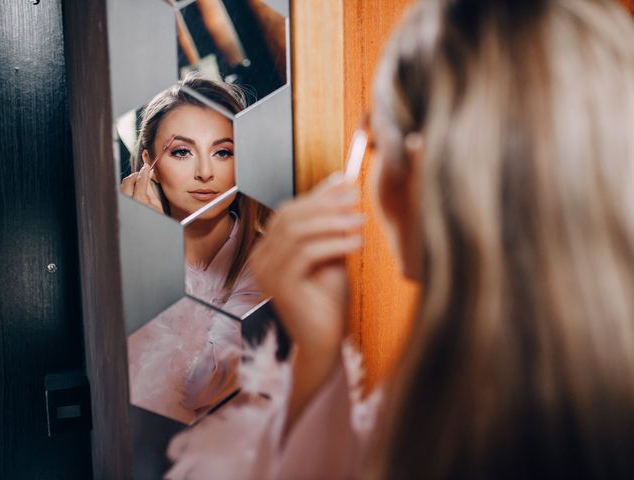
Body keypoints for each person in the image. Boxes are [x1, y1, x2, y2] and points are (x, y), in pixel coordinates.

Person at [165, 0, 634, 477]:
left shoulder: (462, 434)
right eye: (181, 152)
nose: (205, 172)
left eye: (374, 141)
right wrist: (318, 359)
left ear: (420, 174)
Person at [122, 74, 271, 424]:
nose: (205, 172)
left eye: (222, 152)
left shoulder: (266, 261)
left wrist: (155, 259)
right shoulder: (118, 260)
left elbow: (199, 385)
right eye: (182, 152)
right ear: (150, 165)